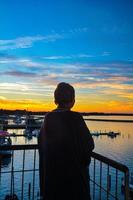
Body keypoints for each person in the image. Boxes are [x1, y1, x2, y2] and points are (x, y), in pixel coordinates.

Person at [38, 82, 94, 200]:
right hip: (74, 184)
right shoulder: (76, 118)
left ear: (55, 100)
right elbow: (89, 144)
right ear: (73, 100)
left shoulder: (48, 118)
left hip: (51, 183)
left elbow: (41, 145)